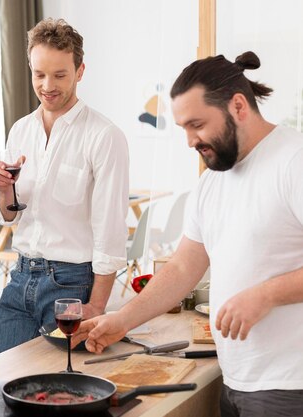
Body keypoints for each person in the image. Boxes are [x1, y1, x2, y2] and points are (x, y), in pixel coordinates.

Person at [74, 52, 303, 417]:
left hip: (290, 385)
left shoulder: (293, 160)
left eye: (197, 124)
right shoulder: (212, 181)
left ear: (238, 106)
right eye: (183, 128)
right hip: (237, 381)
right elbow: (183, 267)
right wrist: (123, 319)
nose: (190, 141)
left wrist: (267, 294)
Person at [0, 18, 130, 358]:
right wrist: (4, 190)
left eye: (60, 75)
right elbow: (9, 218)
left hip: (71, 286)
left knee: (63, 394)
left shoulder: (104, 136)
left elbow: (110, 230)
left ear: (80, 71)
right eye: (39, 74)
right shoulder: (20, 130)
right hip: (19, 279)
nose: (47, 85)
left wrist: (97, 305)